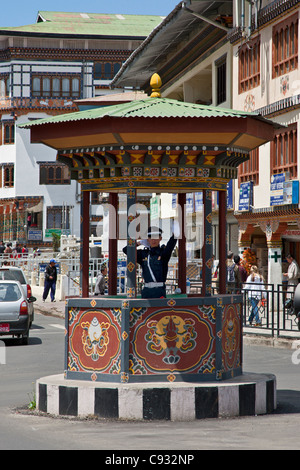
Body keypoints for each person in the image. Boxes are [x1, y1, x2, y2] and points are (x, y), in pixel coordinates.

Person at [123, 226, 177, 299]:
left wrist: (175, 233)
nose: (153, 240)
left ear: (160, 238)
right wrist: (139, 243)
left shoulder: (163, 253)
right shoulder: (143, 254)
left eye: (156, 237)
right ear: (147, 239)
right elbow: (126, 250)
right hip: (146, 291)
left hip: (159, 290)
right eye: (150, 237)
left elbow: (171, 244)